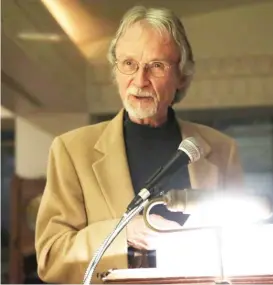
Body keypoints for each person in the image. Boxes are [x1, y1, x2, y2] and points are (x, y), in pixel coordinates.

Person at [35, 5, 243, 284]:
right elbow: (50, 258)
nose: (140, 80)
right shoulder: (71, 151)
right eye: (129, 64)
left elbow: (243, 247)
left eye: (157, 66)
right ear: (116, 70)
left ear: (181, 75)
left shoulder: (221, 149)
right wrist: (124, 234)